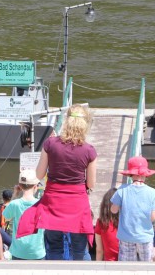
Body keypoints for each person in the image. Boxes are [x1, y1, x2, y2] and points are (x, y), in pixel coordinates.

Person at [17, 104, 97, 260]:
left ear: (66, 121)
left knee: (54, 248)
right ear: (85, 124)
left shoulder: (50, 144)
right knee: (80, 251)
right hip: (77, 204)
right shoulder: (89, 150)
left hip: (53, 203)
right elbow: (91, 184)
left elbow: (39, 174)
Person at [110, 155, 155, 262]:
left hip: (126, 236)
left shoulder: (122, 190)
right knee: (147, 267)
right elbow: (153, 217)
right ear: (145, 174)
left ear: (131, 174)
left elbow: (113, 210)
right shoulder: (152, 192)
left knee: (127, 267)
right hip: (145, 237)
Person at [2, 170, 45, 261]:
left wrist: (15, 195)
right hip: (37, 252)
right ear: (35, 186)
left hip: (18, 252)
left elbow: (6, 217)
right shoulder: (42, 205)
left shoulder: (15, 204)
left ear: (20, 186)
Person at [94, 187, 119, 261]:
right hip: (123, 261)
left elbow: (99, 250)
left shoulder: (101, 222)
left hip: (108, 263)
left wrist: (97, 268)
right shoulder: (124, 222)